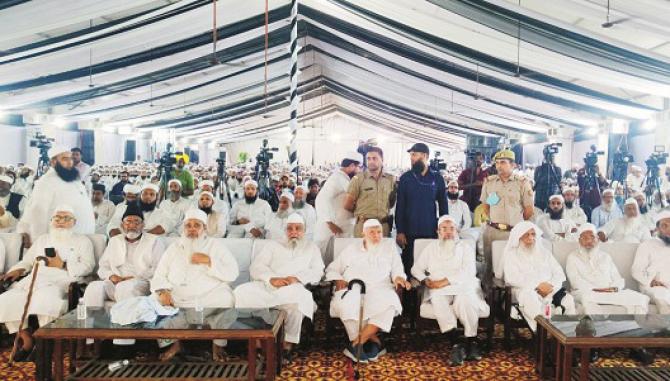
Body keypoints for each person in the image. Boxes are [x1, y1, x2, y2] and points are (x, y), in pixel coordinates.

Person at [0, 205, 95, 360]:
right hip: (36, 278)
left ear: (74, 222)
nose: (60, 221)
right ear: (51, 221)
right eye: (57, 218)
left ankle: (45, 342)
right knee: (6, 299)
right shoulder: (43, 239)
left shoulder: (82, 241)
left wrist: (62, 265)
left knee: (45, 298)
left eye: (66, 218)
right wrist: (18, 269)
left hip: (63, 279)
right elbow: (28, 261)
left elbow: (88, 266)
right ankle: (27, 338)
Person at [151, 209, 239, 361]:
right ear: (183, 228)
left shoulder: (215, 246)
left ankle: (218, 344)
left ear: (204, 229)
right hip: (178, 296)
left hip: (208, 295)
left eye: (196, 225)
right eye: (188, 225)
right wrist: (162, 291)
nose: (192, 229)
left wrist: (209, 261)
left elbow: (233, 272)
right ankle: (173, 344)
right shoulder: (174, 247)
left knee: (227, 299)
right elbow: (159, 274)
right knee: (154, 301)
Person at [234, 213, 324, 354]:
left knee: (297, 302)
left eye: (298, 228)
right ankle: (256, 336)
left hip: (293, 288)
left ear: (304, 230)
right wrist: (271, 279)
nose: (293, 232)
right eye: (290, 228)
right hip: (268, 286)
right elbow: (257, 267)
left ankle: (286, 344)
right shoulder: (273, 245)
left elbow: (318, 271)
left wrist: (297, 278)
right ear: (285, 231)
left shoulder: (312, 248)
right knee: (240, 292)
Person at [326, 219, 411, 363]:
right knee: (347, 304)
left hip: (381, 287)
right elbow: (333, 268)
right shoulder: (352, 248)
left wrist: (398, 278)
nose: (376, 235)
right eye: (372, 232)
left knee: (390, 303)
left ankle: (355, 344)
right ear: (363, 233)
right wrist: (337, 279)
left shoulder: (389, 247)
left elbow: (397, 268)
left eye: (379, 232)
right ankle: (375, 342)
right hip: (354, 287)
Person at [83, 202, 165, 346]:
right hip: (114, 281)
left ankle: (123, 343)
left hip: (141, 283)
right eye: (128, 221)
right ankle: (92, 340)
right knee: (93, 288)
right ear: (122, 225)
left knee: (125, 288)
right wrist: (111, 276)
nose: (132, 225)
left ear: (143, 225)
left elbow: (160, 268)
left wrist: (136, 278)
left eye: (136, 222)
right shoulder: (114, 241)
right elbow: (103, 267)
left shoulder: (154, 241)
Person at [410, 216, 489, 365]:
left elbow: (469, 271)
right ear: (438, 231)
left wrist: (444, 281)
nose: (448, 232)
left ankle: (471, 340)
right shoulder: (431, 248)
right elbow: (416, 269)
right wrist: (425, 280)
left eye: (451, 228)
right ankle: (457, 342)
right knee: (438, 300)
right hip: (438, 288)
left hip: (463, 285)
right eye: (444, 229)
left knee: (465, 301)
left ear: (457, 230)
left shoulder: (465, 247)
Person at [500, 222, 575, 332]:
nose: (531, 238)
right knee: (530, 297)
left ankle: (566, 337)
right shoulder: (512, 255)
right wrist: (537, 285)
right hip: (525, 291)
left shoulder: (544, 253)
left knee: (568, 299)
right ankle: (542, 333)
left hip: (550, 291)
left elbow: (559, 274)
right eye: (526, 235)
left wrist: (551, 287)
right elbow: (511, 278)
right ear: (518, 237)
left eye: (533, 234)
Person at [17, 145, 95, 248]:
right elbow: (38, 213)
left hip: (81, 240)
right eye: (65, 159)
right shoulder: (46, 182)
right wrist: (38, 242)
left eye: (71, 158)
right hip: (57, 242)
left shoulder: (73, 178)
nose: (70, 162)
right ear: (53, 162)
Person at [566, 223, 649, 315]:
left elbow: (617, 278)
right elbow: (575, 281)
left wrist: (613, 288)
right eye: (584, 238)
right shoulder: (572, 257)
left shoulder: (606, 257)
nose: (589, 241)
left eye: (592, 237)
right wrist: (597, 289)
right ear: (579, 241)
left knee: (640, 298)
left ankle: (636, 326)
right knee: (586, 298)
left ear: (597, 239)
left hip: (610, 292)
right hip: (587, 292)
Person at [480, 149, 534, 281]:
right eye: (497, 163)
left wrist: (516, 225)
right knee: (489, 265)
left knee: (512, 266)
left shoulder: (522, 183)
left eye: (503, 162)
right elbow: (486, 206)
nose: (499, 166)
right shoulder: (490, 182)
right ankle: (489, 296)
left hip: (513, 232)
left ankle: (510, 297)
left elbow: (528, 210)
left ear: (513, 165)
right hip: (493, 231)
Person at [395, 143, 448, 275]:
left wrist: (443, 228)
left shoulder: (437, 178)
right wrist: (400, 231)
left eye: (414, 154)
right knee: (409, 265)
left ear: (425, 156)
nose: (411, 158)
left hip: (430, 230)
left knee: (428, 266)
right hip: (409, 232)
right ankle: (409, 295)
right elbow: (400, 206)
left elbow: (443, 206)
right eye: (411, 155)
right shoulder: (406, 178)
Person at [344, 147, 397, 238]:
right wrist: (361, 213)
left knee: (382, 252)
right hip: (364, 226)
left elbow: (391, 203)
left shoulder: (390, 179)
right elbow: (348, 204)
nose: (371, 161)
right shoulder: (358, 179)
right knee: (362, 251)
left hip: (382, 227)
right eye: (368, 159)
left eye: (374, 158)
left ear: (382, 159)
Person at [314, 153, 360, 256]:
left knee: (337, 255)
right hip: (330, 225)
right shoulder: (339, 178)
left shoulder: (343, 178)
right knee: (321, 255)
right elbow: (320, 199)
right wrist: (330, 223)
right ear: (352, 166)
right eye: (358, 167)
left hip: (339, 224)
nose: (359, 171)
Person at [632, 210, 670, 314]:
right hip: (654, 286)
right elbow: (637, 270)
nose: (669, 229)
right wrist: (651, 280)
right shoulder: (647, 244)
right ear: (658, 229)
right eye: (665, 226)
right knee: (662, 296)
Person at [107, 184, 174, 237]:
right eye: (145, 194)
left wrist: (140, 239)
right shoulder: (123, 208)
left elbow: (166, 226)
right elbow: (112, 226)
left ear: (157, 198)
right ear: (139, 196)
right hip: (123, 243)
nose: (148, 197)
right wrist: (122, 239)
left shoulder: (161, 213)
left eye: (152, 194)